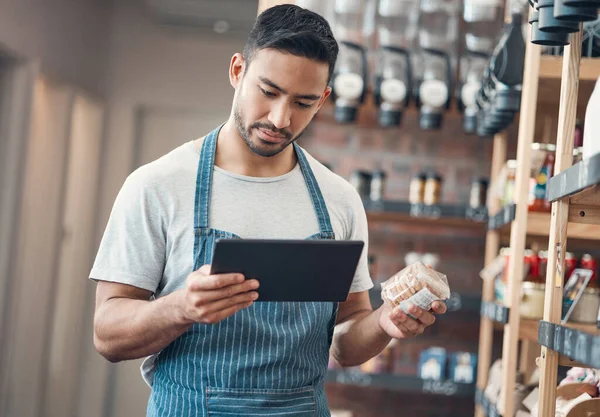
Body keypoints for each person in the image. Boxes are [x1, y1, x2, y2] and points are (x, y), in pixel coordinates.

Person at [91, 4, 447, 416]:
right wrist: (180, 308)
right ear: (237, 70)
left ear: (325, 99)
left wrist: (384, 323)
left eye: (303, 102)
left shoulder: (340, 200)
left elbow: (346, 340)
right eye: (269, 91)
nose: (280, 118)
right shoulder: (157, 186)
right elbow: (107, 335)